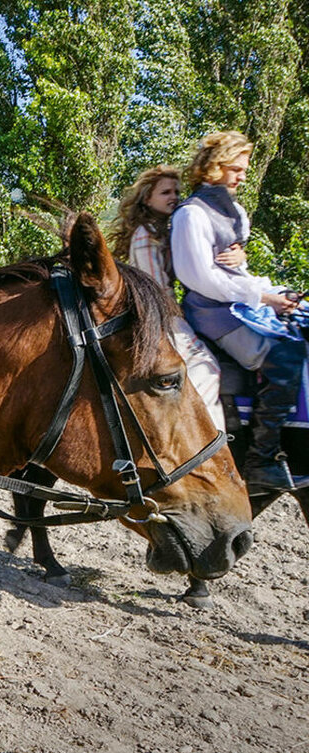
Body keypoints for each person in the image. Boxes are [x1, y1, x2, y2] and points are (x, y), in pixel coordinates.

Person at [171, 131, 309, 491]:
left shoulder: (234, 211)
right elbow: (199, 277)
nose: (242, 176)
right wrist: (262, 298)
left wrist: (275, 291)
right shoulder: (191, 215)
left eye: (243, 169)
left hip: (240, 302)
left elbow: (237, 272)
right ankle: (262, 457)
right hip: (213, 311)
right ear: (213, 168)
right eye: (236, 169)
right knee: (287, 355)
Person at [107, 165, 226, 431]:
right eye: (165, 192)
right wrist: (183, 319)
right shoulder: (146, 236)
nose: (173, 196)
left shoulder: (161, 230)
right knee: (206, 367)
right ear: (147, 198)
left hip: (165, 312)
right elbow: (157, 289)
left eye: (176, 191)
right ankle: (207, 438)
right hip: (161, 317)